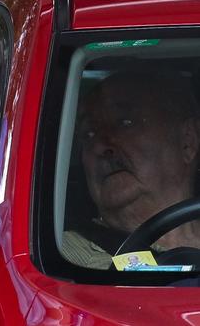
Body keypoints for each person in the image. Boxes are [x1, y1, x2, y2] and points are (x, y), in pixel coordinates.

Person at [62, 70, 200, 269]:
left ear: (188, 141)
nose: (100, 146)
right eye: (89, 133)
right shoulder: (59, 260)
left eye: (125, 123)